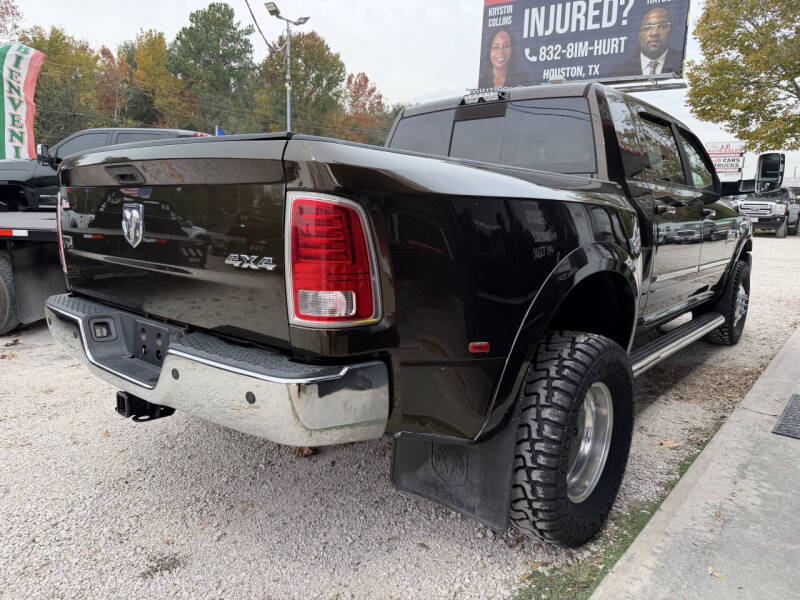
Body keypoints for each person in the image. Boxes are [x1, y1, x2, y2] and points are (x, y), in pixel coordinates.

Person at [611, 6, 684, 76]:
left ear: (671, 30)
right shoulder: (619, 71)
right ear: (639, 34)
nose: (654, 33)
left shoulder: (683, 63)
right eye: (647, 28)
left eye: (661, 26)